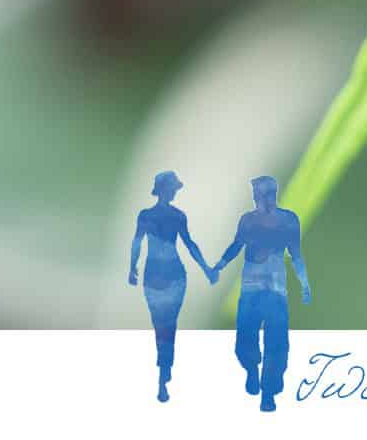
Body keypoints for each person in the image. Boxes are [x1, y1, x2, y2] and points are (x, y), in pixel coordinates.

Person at [210, 175, 311, 413]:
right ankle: (252, 371)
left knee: (276, 342)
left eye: (259, 193)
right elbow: (237, 245)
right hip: (250, 287)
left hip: (275, 289)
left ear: (270, 194)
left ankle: (269, 392)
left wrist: (304, 283)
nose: (256, 197)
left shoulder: (288, 221)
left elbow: (296, 255)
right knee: (245, 340)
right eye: (255, 193)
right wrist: (220, 265)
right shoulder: (248, 221)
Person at [128, 170, 215, 402]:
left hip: (167, 275)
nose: (175, 192)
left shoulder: (174, 216)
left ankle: (164, 372)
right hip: (163, 275)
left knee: (165, 325)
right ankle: (163, 371)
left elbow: (189, 244)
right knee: (164, 325)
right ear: (165, 189)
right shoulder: (152, 216)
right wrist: (131, 267)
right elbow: (137, 243)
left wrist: (207, 268)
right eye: (173, 188)